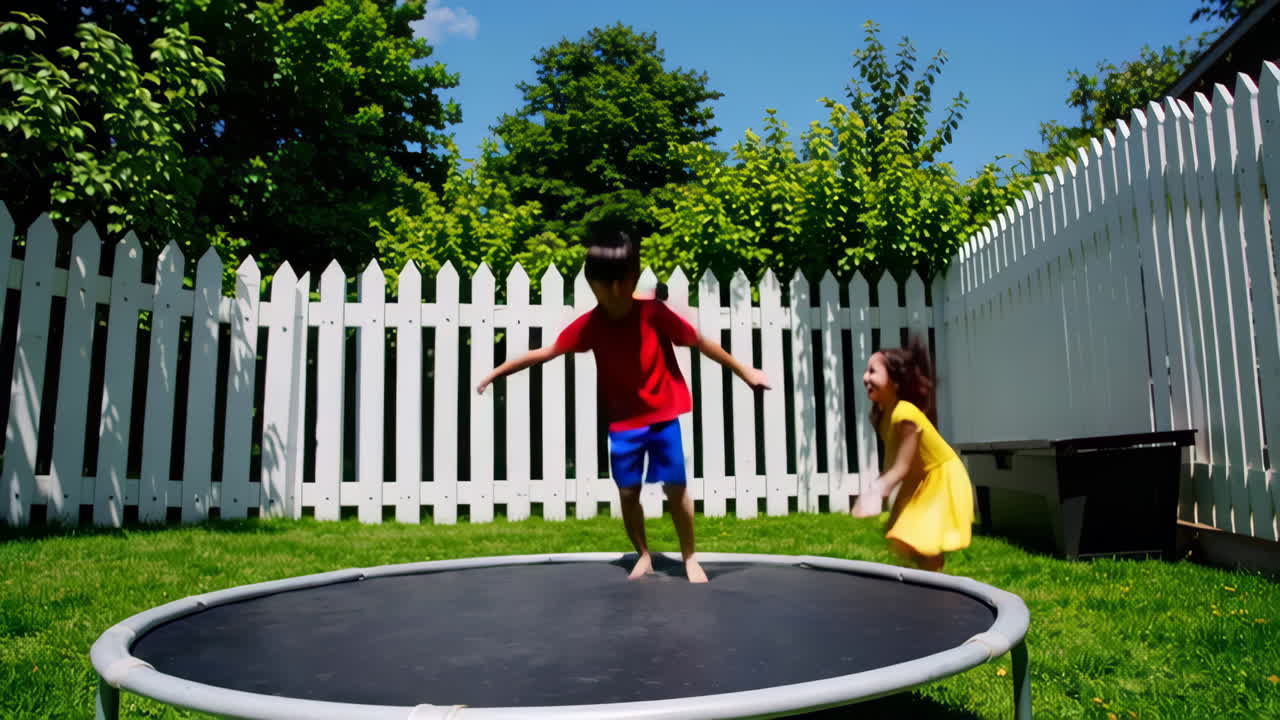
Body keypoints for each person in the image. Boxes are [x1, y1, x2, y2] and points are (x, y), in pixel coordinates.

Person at [476, 226, 770, 583]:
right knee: (628, 492)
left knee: (675, 488)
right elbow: (543, 353)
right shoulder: (590, 327)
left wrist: (745, 371)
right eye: (605, 284)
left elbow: (702, 342)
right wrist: (495, 373)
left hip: (663, 419)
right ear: (592, 284)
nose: (614, 292)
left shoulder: (654, 315)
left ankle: (690, 556)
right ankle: (644, 554)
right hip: (624, 425)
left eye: (621, 282)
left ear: (631, 279)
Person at [851, 336, 972, 571]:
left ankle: (935, 584)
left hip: (941, 476)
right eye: (866, 371)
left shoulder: (905, 415)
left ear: (894, 382)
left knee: (919, 538)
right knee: (902, 540)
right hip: (919, 478)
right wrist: (886, 494)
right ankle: (929, 579)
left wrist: (875, 493)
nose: (866, 377)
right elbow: (893, 461)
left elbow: (901, 467)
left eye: (873, 371)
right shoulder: (881, 414)